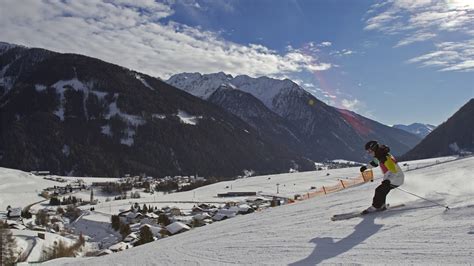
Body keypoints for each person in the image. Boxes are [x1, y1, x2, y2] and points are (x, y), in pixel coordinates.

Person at [360, 140, 404, 214]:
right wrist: (366, 167)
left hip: (396, 178)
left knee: (379, 190)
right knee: (382, 191)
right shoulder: (379, 155)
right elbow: (374, 163)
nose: (369, 153)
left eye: (369, 151)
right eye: (368, 151)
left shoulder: (385, 158)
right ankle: (382, 205)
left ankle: (375, 207)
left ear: (374, 148)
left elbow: (393, 170)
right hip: (392, 178)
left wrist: (388, 180)